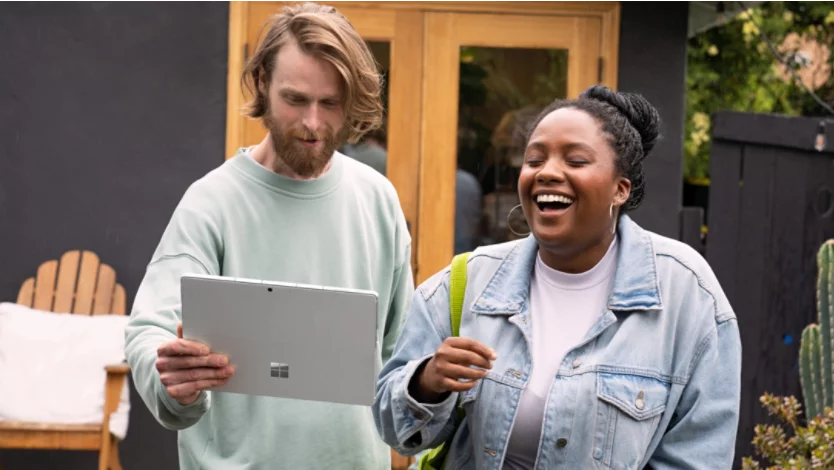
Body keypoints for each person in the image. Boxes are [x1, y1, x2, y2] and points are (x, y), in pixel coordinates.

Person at [373, 85, 742, 469]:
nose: (547, 172)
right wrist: (427, 382)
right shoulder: (466, 283)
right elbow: (392, 427)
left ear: (620, 189)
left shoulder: (688, 295)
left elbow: (699, 455)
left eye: (576, 161)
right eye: (534, 160)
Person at [125, 3, 413, 469]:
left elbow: (400, 353)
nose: (314, 124)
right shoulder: (211, 202)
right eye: (295, 100)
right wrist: (173, 383)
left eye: (331, 103)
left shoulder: (378, 199)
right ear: (261, 81)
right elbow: (148, 331)